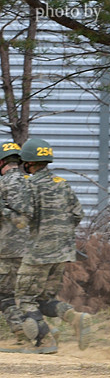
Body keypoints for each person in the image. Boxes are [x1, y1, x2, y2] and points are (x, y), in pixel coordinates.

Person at [12, 138, 90, 353]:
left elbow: (22, 220)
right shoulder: (63, 184)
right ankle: (74, 317)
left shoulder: (30, 185)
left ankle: (44, 341)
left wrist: (11, 214)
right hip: (62, 253)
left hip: (38, 253)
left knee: (25, 299)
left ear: (28, 163)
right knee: (44, 299)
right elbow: (78, 214)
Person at [0, 141, 32, 346]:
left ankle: (22, 332)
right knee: (29, 295)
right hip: (33, 249)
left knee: (4, 294)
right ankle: (42, 329)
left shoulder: (2, 185)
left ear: (2, 162)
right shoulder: (32, 183)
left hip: (7, 249)